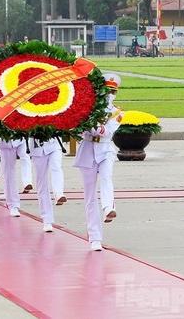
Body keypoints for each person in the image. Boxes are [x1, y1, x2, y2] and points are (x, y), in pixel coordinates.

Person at [74, 73, 124, 251]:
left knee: (106, 177)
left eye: (113, 91)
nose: (110, 94)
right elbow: (79, 130)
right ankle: (95, 237)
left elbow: (107, 132)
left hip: (105, 150)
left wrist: (94, 126)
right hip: (88, 150)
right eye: (107, 90)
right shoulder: (88, 108)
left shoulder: (118, 112)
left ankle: (108, 207)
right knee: (89, 197)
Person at [29, 138, 64, 232]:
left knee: (56, 167)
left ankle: (58, 193)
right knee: (42, 182)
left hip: (54, 143)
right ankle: (47, 219)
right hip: (37, 147)